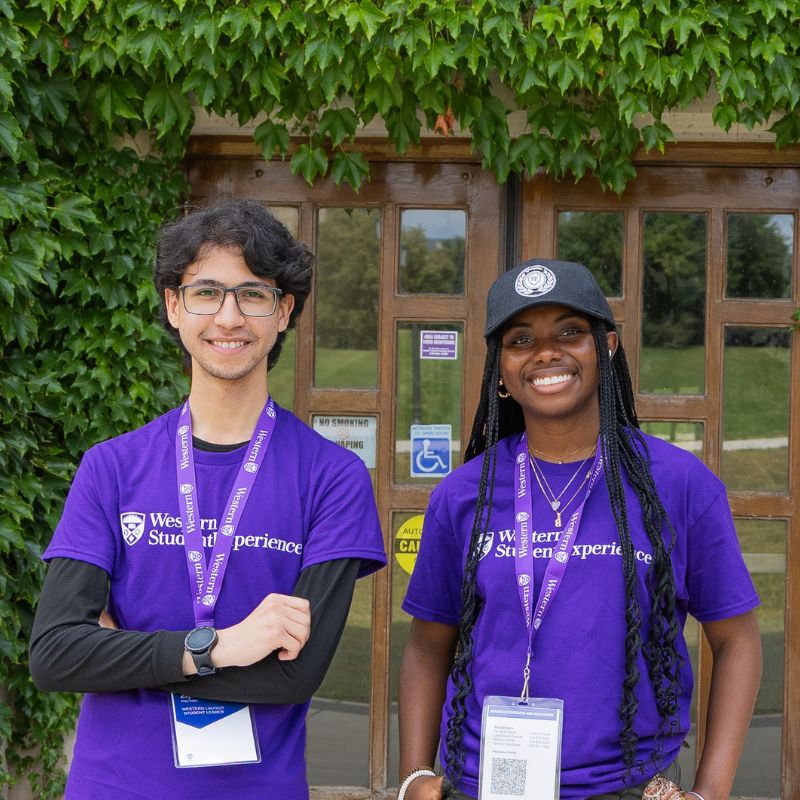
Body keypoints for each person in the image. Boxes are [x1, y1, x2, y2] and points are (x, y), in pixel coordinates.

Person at [29, 198, 386, 799]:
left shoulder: (332, 475)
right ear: (174, 306)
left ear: (283, 312)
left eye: (253, 294)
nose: (228, 316)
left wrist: (123, 655)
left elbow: (294, 675)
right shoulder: (111, 467)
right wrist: (222, 646)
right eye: (206, 292)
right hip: (113, 786)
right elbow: (57, 654)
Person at [397, 259, 761, 800]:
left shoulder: (679, 484)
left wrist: (711, 790)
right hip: (482, 783)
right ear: (500, 369)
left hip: (627, 786)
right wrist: (414, 776)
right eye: (521, 340)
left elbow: (737, 641)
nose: (546, 352)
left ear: (606, 347)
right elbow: (429, 645)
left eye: (570, 331)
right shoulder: (462, 494)